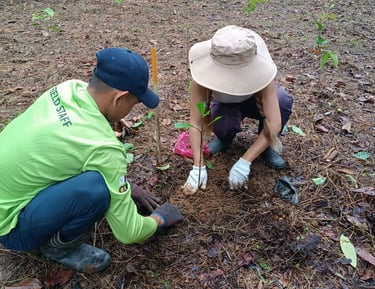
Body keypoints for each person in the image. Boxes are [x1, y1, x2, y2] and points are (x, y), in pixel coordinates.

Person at [0, 47, 184, 273]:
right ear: (120, 97)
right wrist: (159, 218)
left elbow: (68, 151)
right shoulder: (105, 148)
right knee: (96, 189)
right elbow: (130, 233)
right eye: (134, 104)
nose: (130, 111)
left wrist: (128, 187)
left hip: (7, 195)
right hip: (10, 228)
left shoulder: (66, 89)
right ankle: (60, 248)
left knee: (95, 180)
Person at [182, 25, 293, 194]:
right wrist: (198, 165)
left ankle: (266, 146)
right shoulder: (202, 74)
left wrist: (245, 161)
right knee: (224, 124)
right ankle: (224, 138)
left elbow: (275, 122)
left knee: (283, 100)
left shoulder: (262, 70)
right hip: (225, 106)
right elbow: (196, 121)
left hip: (253, 102)